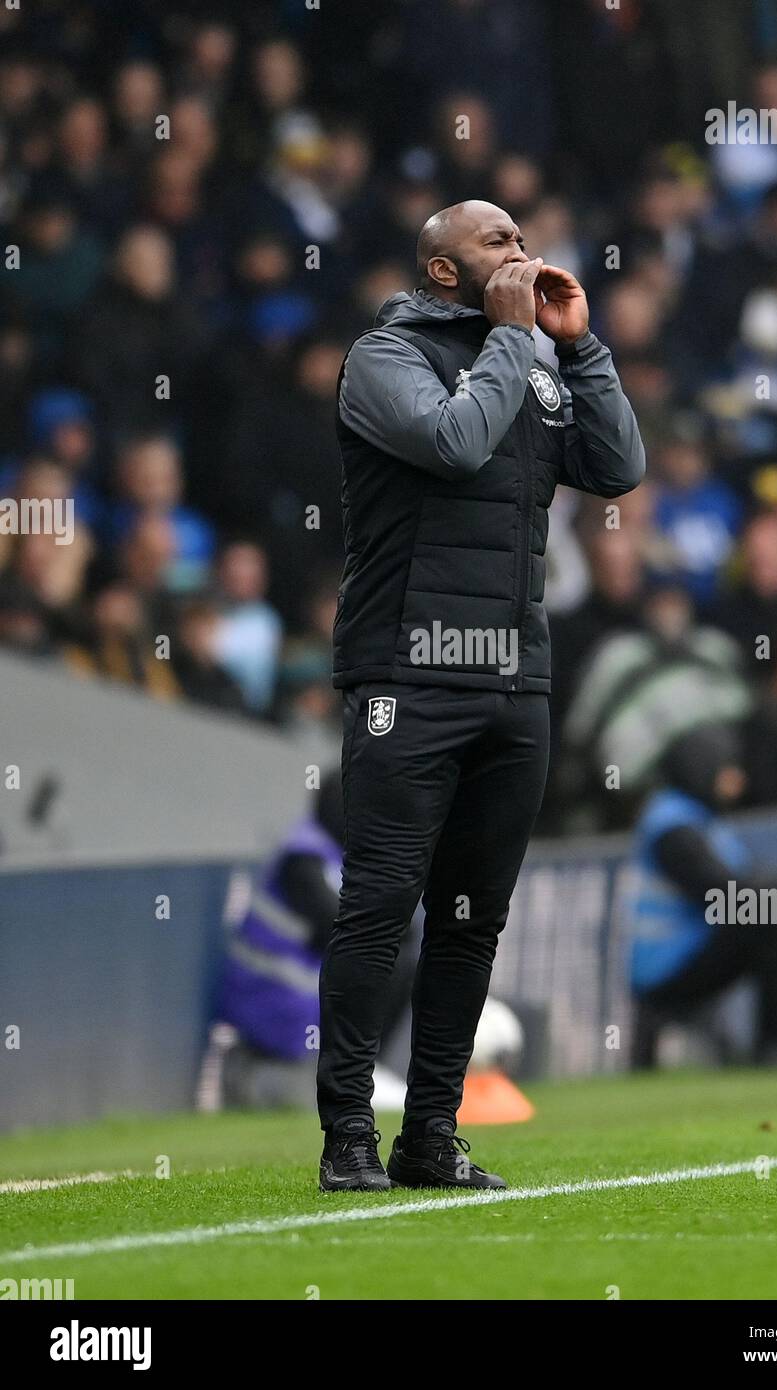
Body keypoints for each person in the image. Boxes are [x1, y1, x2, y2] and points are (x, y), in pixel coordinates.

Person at [319, 198, 645, 1191]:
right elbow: (455, 443)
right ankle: (346, 1135)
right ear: (444, 271)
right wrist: (516, 342)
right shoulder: (384, 359)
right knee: (380, 904)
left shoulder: (536, 361)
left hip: (516, 679)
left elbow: (617, 467)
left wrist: (580, 350)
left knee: (470, 919)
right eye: (496, 241)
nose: (522, 250)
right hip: (407, 674)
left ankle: (431, 1135)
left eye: (522, 236)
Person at [624, 723, 777, 1069]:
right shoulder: (671, 826)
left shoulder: (697, 819)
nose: (737, 779)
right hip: (666, 971)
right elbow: (725, 895)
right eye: (728, 768)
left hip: (690, 955)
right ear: (702, 767)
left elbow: (748, 882)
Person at [217, 772, 416, 1106]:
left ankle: (359, 1070)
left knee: (401, 954)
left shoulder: (341, 856)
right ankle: (352, 1074)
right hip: (269, 1011)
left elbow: (398, 927)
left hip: (301, 1016)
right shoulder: (303, 857)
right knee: (385, 954)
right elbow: (343, 926)